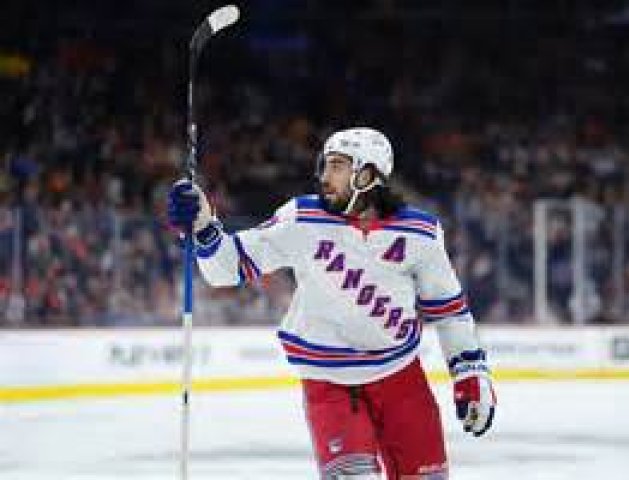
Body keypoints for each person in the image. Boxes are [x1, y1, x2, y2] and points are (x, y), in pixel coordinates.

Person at [167, 127, 496, 479]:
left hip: (401, 380)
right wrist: (204, 229)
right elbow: (226, 269)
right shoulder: (301, 219)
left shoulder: (420, 233)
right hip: (329, 385)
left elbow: (449, 311)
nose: (325, 176)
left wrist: (470, 371)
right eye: (325, 165)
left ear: (368, 174)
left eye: (337, 166)